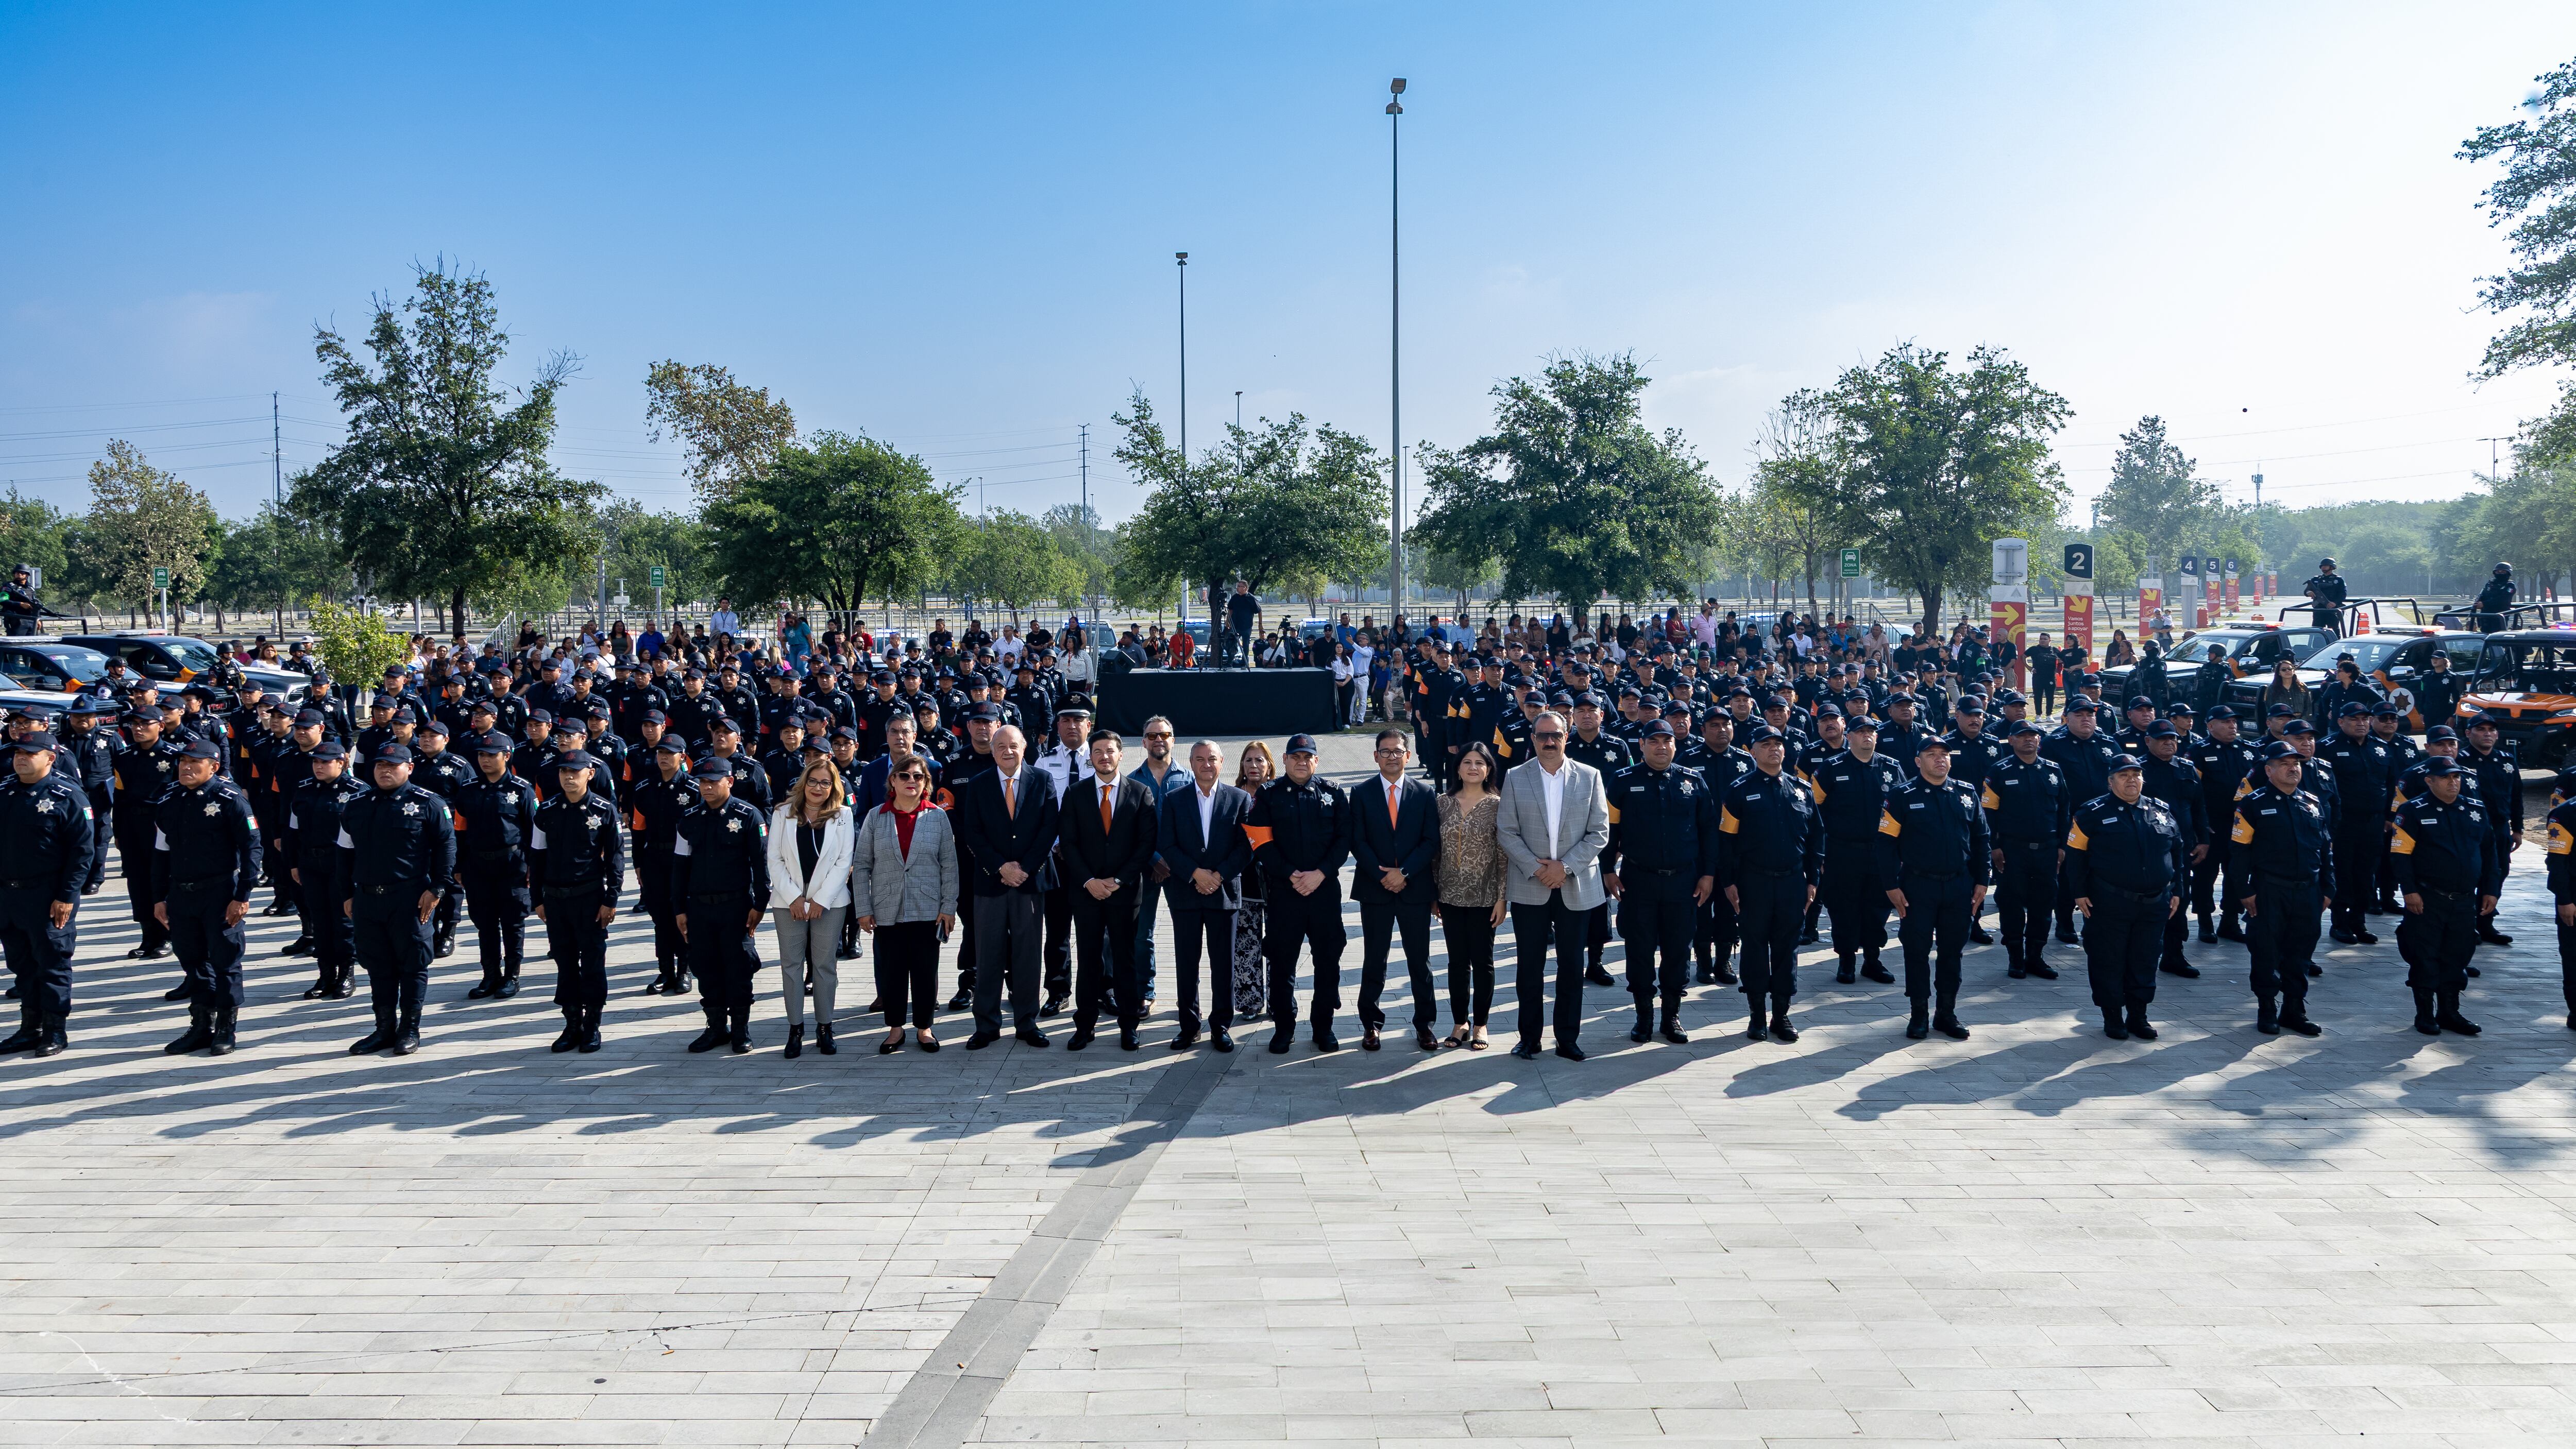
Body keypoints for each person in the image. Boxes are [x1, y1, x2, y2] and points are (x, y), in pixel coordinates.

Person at [1496, 710, 1611, 1061]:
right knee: (1529, 966)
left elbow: (1600, 832)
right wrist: (1538, 869)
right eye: (1543, 735)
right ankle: (1529, 1038)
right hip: (1530, 884)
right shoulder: (1515, 776)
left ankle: (1567, 1038)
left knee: (1572, 966)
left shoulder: (1590, 776)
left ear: (1566, 737)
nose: (1549, 741)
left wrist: (1566, 867)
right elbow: (1506, 831)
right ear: (1533, 739)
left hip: (1576, 885)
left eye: (1556, 735)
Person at [336, 743, 456, 1056]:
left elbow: (446, 846)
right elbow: (344, 852)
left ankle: (410, 1028)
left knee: (413, 964)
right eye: (380, 766)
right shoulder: (357, 804)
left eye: (393, 766)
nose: (385, 771)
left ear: (409, 768)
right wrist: (347, 894)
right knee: (378, 966)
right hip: (367, 899)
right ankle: (384, 1029)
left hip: (410, 897)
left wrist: (438, 889)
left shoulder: (428, 803)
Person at [1603, 719, 1716, 1045]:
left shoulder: (1693, 781)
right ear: (1641, 745)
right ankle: (1644, 1017)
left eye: (1667, 741)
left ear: (1675, 745)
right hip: (1639, 880)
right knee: (1639, 949)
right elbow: (1609, 830)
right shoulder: (1623, 781)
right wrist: (1608, 869)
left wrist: (1708, 873)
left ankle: (1671, 1016)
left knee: (1678, 949)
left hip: (1684, 881)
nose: (1661, 747)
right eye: (1653, 741)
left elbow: (1709, 830)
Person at [2063, 754, 2188, 1041]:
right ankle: (2113, 1016)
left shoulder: (2160, 810)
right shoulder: (2091, 813)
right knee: (2109, 959)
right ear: (2111, 782)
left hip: (2155, 903)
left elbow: (2177, 851)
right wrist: (2079, 892)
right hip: (2110, 902)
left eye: (2136, 775)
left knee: (2145, 959)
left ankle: (2138, 1016)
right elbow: (2076, 855)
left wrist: (2178, 890)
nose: (2131, 780)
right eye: (2124, 775)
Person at [1874, 737, 1989, 1041]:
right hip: (1918, 886)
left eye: (1944, 754)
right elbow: (1885, 845)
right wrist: (1891, 886)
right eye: (1932, 754)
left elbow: (1981, 840)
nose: (1940, 759)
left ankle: (1946, 1013)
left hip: (1959, 885)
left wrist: (1982, 880)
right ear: (1918, 761)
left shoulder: (1966, 793)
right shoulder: (1901, 795)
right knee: (1916, 951)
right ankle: (1919, 1014)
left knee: (1952, 952)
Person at [954, 723, 1058, 1049]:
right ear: (993, 751)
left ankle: (1027, 1023)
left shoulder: (1043, 780)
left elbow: (1049, 828)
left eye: (1013, 746)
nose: (1008, 751)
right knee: (988, 955)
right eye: (1001, 747)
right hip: (990, 882)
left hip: (1029, 882)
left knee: (1028, 954)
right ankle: (986, 1025)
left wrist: (1024, 869)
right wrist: (1001, 867)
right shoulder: (979, 784)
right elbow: (972, 832)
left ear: (1024, 748)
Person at [1719, 725, 1824, 1042]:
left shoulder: (1801, 789)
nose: (1774, 749)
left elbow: (1816, 837)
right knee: (1754, 947)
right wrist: (1729, 882)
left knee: (1786, 948)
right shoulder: (1739, 790)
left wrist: (1813, 879)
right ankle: (1756, 1015)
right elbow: (1726, 841)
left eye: (1778, 744)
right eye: (1766, 745)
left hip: (1792, 882)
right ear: (1753, 751)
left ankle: (1781, 1015)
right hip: (1754, 882)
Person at [2224, 741, 2333, 1037]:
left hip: (2308, 891)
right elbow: (2239, 852)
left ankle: (2294, 1010)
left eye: (2295, 763)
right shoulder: (2252, 804)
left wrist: (2329, 887)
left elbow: (2325, 849)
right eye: (2284, 764)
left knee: (2301, 952)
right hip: (2270, 890)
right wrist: (2244, 891)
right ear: (2269, 771)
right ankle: (2267, 1009)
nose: (2293, 768)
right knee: (2266, 952)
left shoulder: (2312, 802)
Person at [1056, 731, 1156, 1051]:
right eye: (1098, 751)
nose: (1104, 757)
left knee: (1125, 960)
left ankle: (1129, 1026)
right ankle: (1085, 1026)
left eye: (1110, 751)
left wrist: (1118, 881)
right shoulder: (1075, 793)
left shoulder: (1140, 793)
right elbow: (1068, 843)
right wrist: (1090, 881)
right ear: (1091, 757)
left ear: (1120, 755)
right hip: (1086, 892)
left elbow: (1145, 845)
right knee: (1088, 959)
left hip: (1125, 893)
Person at [852, 752, 956, 1054]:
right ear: (893, 780)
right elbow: (862, 866)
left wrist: (948, 907)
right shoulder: (876, 816)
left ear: (926, 783)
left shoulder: (937, 817)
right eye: (905, 775)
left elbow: (950, 865)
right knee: (893, 972)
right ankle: (895, 1028)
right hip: (887, 907)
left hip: (928, 908)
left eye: (918, 776)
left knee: (925, 970)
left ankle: (925, 1027)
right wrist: (864, 909)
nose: (912, 781)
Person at [2389, 756, 2501, 1036]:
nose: (2453, 782)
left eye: (2456, 777)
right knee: (2424, 955)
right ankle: (2425, 1013)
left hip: (2464, 900)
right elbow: (2400, 856)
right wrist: (2409, 891)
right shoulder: (2412, 811)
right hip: (2428, 898)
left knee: (2458, 955)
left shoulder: (2475, 809)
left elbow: (2490, 853)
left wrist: (2491, 890)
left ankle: (2450, 1012)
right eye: (2445, 778)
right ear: (2429, 781)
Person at [1352, 729, 1443, 1051]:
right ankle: (1371, 1025)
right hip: (1375, 889)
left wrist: (1403, 873)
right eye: (1385, 751)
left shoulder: (1425, 793)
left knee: (1419, 961)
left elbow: (1431, 841)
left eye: (1397, 751)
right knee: (1374, 960)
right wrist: (1383, 876)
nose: (1391, 756)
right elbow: (1357, 841)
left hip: (1414, 888)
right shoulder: (1361, 793)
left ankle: (1425, 1026)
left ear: (1408, 756)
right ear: (1376, 756)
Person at [674, 756, 770, 1054]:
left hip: (736, 907)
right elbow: (680, 867)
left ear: (729, 781)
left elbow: (761, 864)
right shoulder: (689, 819)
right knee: (705, 967)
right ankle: (716, 1027)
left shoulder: (749, 815)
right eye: (703, 782)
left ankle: (741, 1029)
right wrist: (679, 909)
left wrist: (760, 905)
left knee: (739, 968)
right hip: (700, 908)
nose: (707, 787)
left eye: (713, 782)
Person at [529, 750, 623, 1054]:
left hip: (590, 898)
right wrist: (537, 899)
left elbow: (616, 858)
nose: (568, 777)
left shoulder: (604, 810)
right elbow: (537, 856)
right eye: (563, 772)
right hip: (556, 899)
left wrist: (611, 898)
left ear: (590, 774)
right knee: (564, 961)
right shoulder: (547, 810)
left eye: (575, 772)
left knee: (593, 961)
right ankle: (572, 1024)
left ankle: (593, 1023)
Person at [1161, 740, 1252, 1049]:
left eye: (1212, 759)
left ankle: (1221, 1026)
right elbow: (1167, 844)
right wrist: (1195, 873)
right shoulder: (1174, 799)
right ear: (1191, 763)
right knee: (1187, 963)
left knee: (1223, 964)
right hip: (1186, 893)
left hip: (1223, 894)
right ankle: (1189, 1026)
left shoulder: (1239, 799)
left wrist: (1218, 875)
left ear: (1222, 762)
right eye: (1199, 759)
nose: (1206, 765)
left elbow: (1246, 847)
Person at [766, 757, 853, 1059]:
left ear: (834, 787)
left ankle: (825, 1027)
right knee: (791, 965)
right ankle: (796, 1029)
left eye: (825, 783)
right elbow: (774, 859)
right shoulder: (783, 813)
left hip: (829, 902)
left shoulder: (843, 815)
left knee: (824, 965)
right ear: (805, 783)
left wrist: (820, 900)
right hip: (787, 901)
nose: (818, 788)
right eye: (813, 781)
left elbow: (844, 862)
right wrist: (793, 897)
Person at [1809, 713, 1905, 986]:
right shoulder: (1830, 768)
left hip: (1880, 852)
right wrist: (1819, 852)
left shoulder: (1891, 767)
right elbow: (1813, 812)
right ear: (1848, 736)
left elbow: (1903, 811)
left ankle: (1872, 960)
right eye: (1860, 732)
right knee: (1844, 907)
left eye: (1871, 732)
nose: (1866, 736)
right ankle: (1846, 961)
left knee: (1878, 908)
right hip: (1842, 852)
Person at [1434, 742, 1506, 1048]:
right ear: (1458, 768)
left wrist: (1502, 898)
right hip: (1449, 894)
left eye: (1480, 763)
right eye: (1467, 762)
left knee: (1483, 961)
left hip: (1485, 896)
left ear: (1489, 769)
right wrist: (1433, 894)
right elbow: (1435, 853)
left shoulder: (1498, 805)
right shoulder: (1442, 803)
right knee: (1457, 962)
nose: (1473, 768)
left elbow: (1504, 855)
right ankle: (1460, 1022)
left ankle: (1481, 1025)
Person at [451, 732, 534, 1001]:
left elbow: (534, 832)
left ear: (506, 757)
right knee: (485, 923)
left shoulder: (521, 789)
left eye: (491, 755)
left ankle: (512, 976)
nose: (484, 760)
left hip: (512, 864)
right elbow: (460, 831)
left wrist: (533, 866)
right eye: (481, 755)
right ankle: (490, 975)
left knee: (512, 922)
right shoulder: (468, 789)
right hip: (478, 865)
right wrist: (459, 866)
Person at [1228, 743, 1276, 1024]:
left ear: (1270, 765)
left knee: (1279, 945)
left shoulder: (1279, 794)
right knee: (1245, 945)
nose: (1254, 766)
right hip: (1243, 882)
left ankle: (1279, 1000)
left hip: (1277, 882)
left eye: (1260, 760)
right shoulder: (1234, 796)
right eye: (1248, 761)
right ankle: (1249, 1001)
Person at [2302, 557, 2348, 636]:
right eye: (2322, 566)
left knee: (2334, 630)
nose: (2323, 568)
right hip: (2319, 609)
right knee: (2317, 630)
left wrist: (2335, 603)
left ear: (2332, 567)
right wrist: (2308, 592)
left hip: (2332, 609)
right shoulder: (2316, 579)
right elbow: (2306, 591)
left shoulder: (2338, 580)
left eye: (2326, 566)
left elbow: (2343, 594)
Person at [2473, 562, 2516, 632]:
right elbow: (2484, 595)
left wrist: (2484, 604)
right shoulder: (2490, 584)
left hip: (2499, 616)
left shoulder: (2510, 585)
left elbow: (2503, 600)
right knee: (2484, 634)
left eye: (2503, 572)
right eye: (2498, 572)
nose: (2500, 574)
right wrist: (2479, 602)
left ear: (2508, 573)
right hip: (2486, 616)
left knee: (2497, 635)